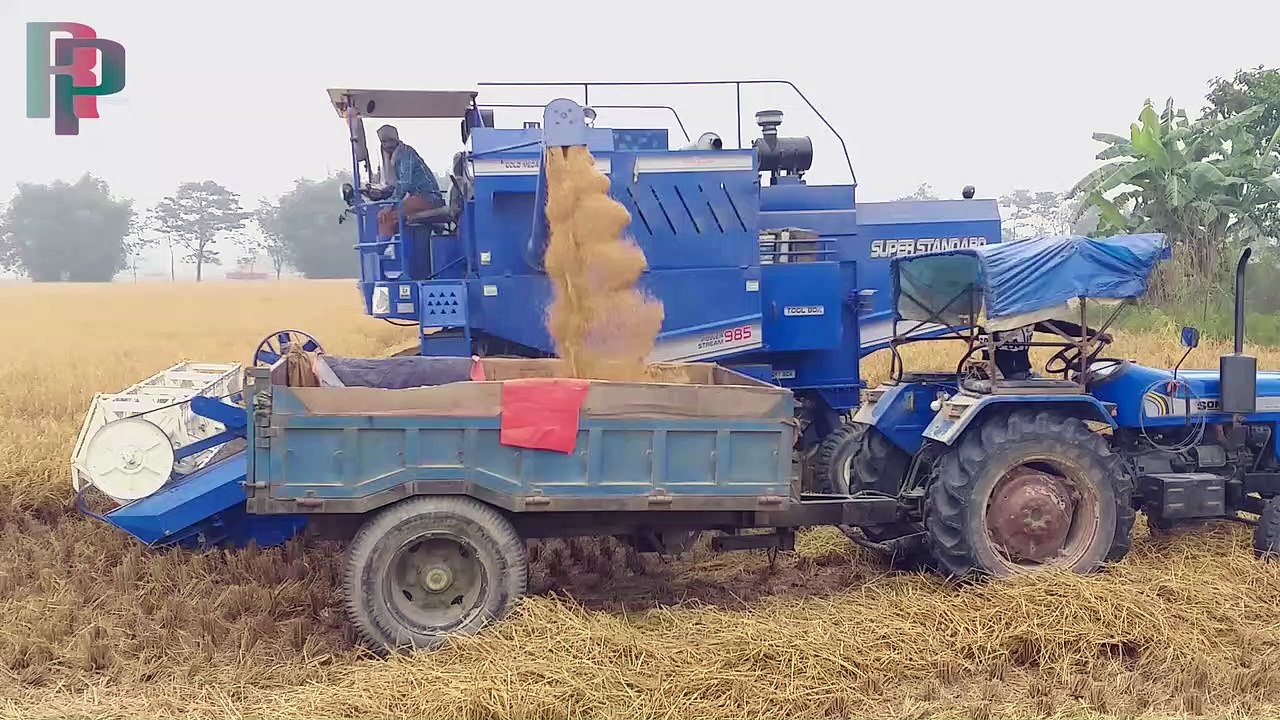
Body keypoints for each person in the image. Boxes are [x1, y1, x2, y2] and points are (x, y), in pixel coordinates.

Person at [369, 124, 443, 238]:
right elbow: (394, 186)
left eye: (391, 141)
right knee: (377, 212)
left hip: (429, 197)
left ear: (397, 140)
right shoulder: (391, 160)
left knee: (385, 217)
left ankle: (382, 248)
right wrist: (381, 193)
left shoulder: (406, 154)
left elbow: (404, 184)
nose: (388, 145)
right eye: (384, 142)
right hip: (415, 197)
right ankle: (389, 244)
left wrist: (389, 205)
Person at [990, 319, 1113, 380]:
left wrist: (1093, 333)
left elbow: (1061, 327)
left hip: (1024, 371)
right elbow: (986, 349)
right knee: (1064, 391)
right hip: (1007, 375)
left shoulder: (1030, 319)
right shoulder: (995, 324)